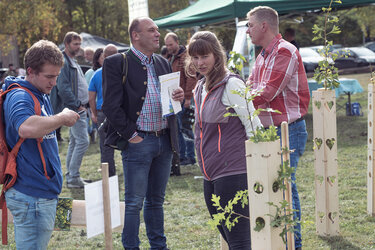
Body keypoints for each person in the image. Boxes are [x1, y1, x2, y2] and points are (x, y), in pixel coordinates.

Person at [102, 17, 184, 249]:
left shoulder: (161, 62)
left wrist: (176, 97)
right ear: (135, 35)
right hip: (139, 141)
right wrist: (131, 136)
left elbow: (169, 102)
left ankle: (159, 246)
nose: (157, 34)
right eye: (151, 30)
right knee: (134, 203)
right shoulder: (117, 62)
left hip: (163, 141)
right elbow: (110, 106)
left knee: (156, 201)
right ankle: (132, 246)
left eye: (157, 30)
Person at [185, 31, 262, 249]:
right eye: (195, 57)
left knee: (239, 240)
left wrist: (257, 170)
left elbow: (254, 128)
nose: (199, 63)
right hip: (209, 174)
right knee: (227, 235)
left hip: (234, 172)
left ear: (217, 55)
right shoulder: (200, 87)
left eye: (204, 56)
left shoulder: (232, 85)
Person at [3, 40, 79, 249]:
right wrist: (62, 118)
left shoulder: (39, 93)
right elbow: (26, 128)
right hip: (31, 197)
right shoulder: (20, 95)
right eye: (49, 76)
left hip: (39, 195)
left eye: (56, 76)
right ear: (31, 71)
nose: (53, 83)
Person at [246, 6, 310, 250]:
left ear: (264, 26)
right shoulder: (263, 55)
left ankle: (293, 244)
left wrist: (237, 100)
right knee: (273, 185)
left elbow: (266, 92)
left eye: (250, 25)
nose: (248, 31)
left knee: (284, 187)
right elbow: (249, 87)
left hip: (288, 131)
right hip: (269, 132)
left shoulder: (285, 51)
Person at [50, 31, 90, 188]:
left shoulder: (71, 60)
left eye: (79, 44)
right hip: (74, 109)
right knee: (83, 141)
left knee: (74, 141)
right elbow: (63, 88)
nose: (78, 47)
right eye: (75, 44)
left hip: (78, 107)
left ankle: (71, 176)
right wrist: (77, 104)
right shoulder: (64, 62)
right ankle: (73, 177)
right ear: (66, 45)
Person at [164, 32, 197, 166]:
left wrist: (188, 97)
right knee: (178, 128)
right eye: (166, 45)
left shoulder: (185, 57)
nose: (168, 47)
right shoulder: (170, 57)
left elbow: (191, 77)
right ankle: (182, 156)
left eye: (170, 44)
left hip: (184, 98)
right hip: (175, 98)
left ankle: (190, 156)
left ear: (177, 42)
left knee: (186, 128)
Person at [89, 44, 117, 176]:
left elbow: (91, 97)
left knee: (106, 146)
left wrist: (94, 113)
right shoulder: (123, 70)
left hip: (103, 112)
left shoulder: (97, 74)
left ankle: (110, 175)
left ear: (104, 57)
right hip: (121, 111)